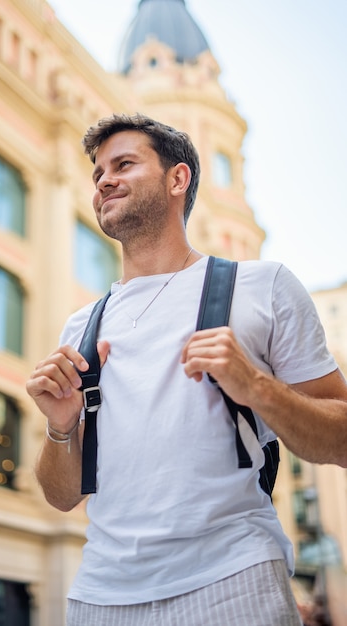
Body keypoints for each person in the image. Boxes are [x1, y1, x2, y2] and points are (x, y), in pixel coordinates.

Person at [26, 113, 347, 626]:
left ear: (178, 179)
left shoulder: (263, 286)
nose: (104, 180)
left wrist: (256, 387)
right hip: (101, 596)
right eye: (98, 173)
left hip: (234, 582)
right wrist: (61, 426)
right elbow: (62, 497)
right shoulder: (81, 327)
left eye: (124, 164)